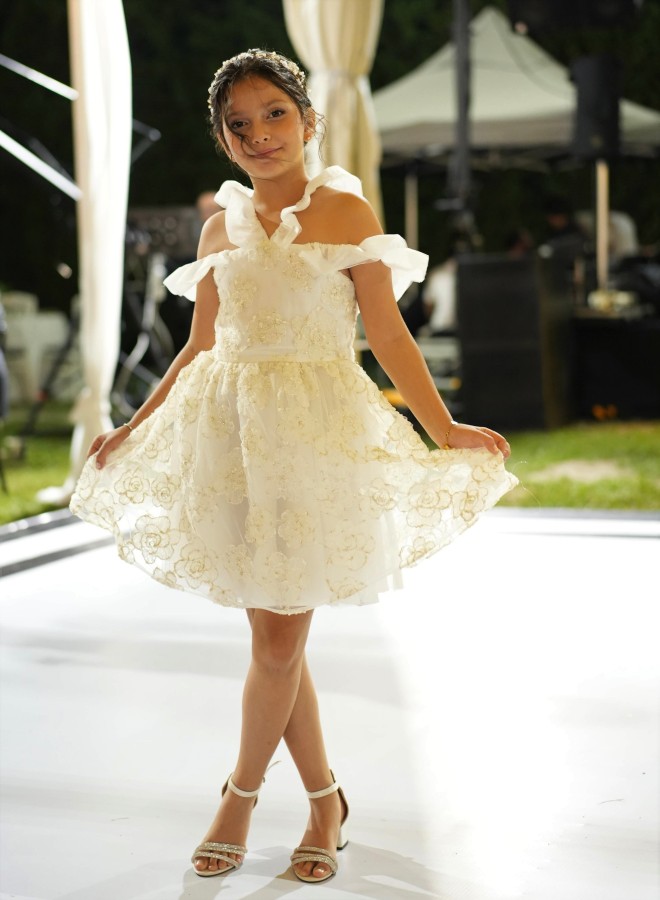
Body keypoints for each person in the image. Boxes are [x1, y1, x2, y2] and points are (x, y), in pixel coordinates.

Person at [70, 49, 517, 884]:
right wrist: (131, 425)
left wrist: (443, 427)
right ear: (223, 141)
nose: (259, 134)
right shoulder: (218, 229)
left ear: (309, 121)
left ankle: (238, 798)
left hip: (313, 442)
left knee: (278, 642)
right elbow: (198, 346)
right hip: (232, 442)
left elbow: (387, 334)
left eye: (275, 114)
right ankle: (324, 802)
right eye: (238, 124)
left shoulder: (346, 212)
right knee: (276, 640)